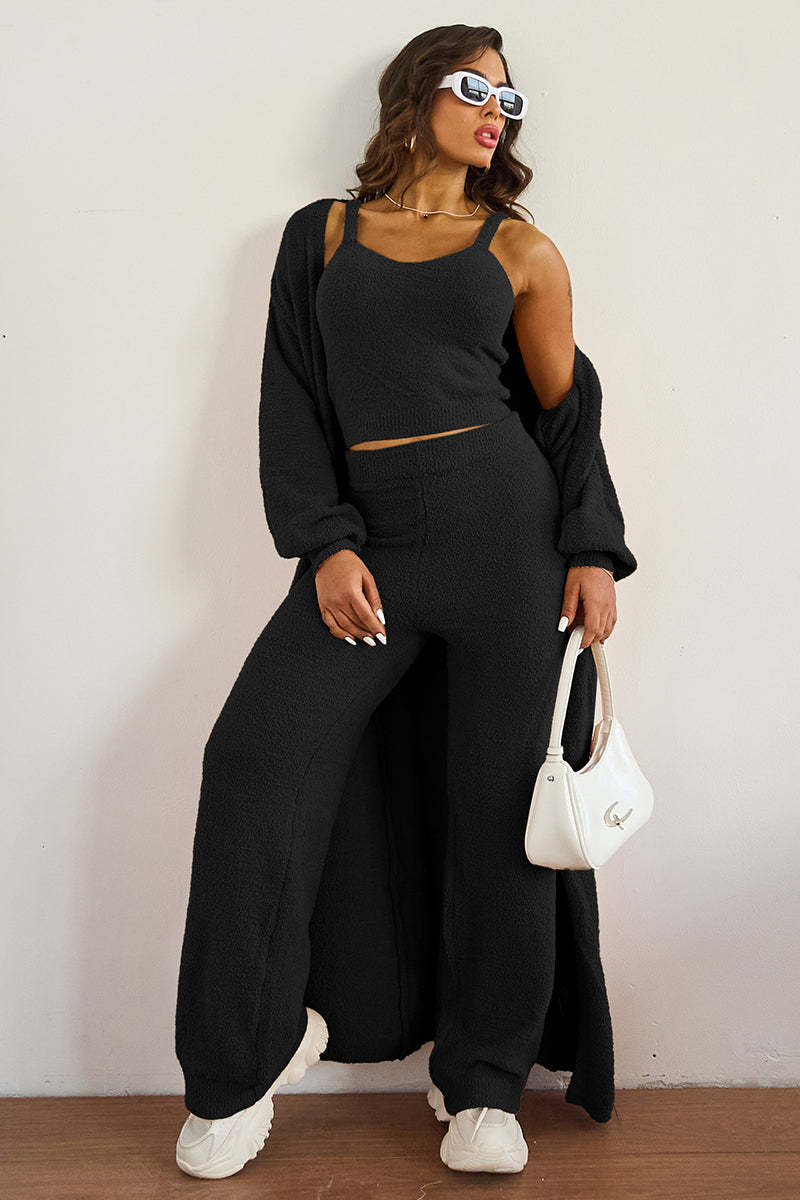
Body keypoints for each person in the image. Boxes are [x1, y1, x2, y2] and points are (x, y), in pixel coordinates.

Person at [174, 24, 637, 1179]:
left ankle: (483, 1085)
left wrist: (590, 546)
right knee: (255, 761)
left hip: (505, 547)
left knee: (499, 816)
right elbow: (290, 397)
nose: (494, 110)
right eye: (472, 87)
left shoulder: (520, 249)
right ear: (415, 94)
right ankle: (245, 1058)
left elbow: (565, 409)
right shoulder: (321, 235)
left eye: (507, 99)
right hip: (367, 548)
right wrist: (324, 544)